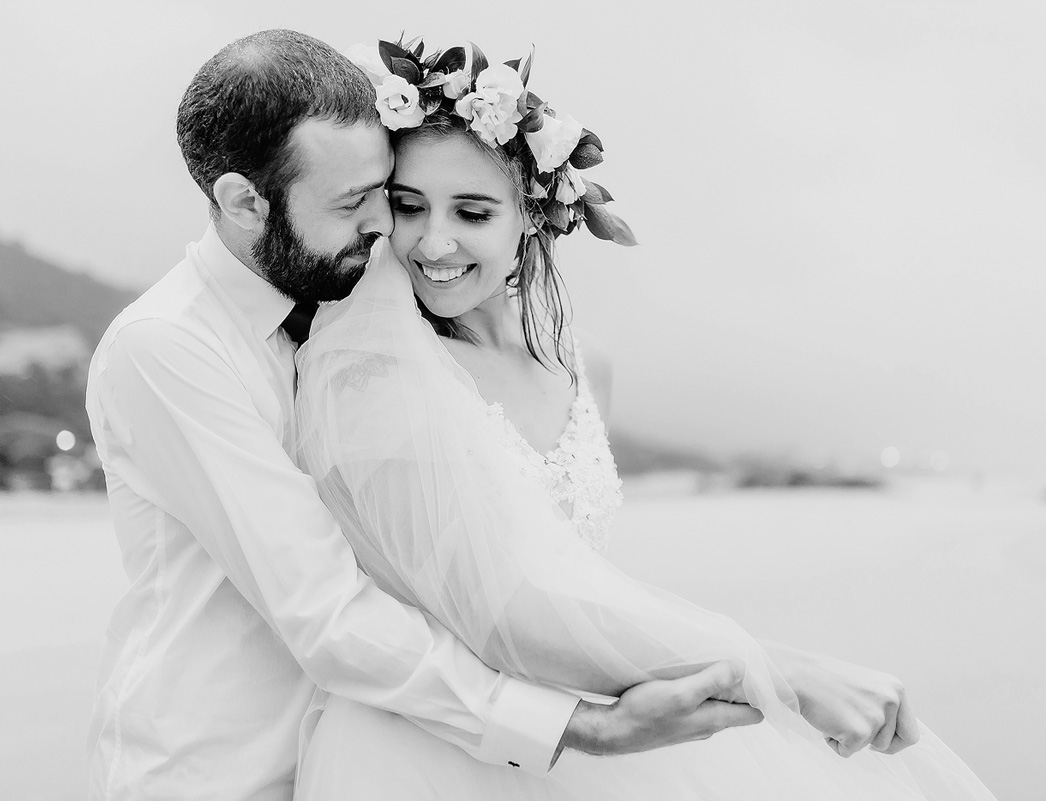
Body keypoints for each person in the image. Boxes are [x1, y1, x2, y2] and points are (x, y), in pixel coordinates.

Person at [292, 37, 997, 799]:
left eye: (472, 210)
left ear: (531, 216)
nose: (433, 241)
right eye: (407, 207)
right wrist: (779, 675)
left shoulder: (583, 362)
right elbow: (505, 612)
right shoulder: (380, 380)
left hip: (571, 716)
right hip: (430, 751)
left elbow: (580, 579)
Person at [83, 29, 771, 801]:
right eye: (355, 202)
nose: (386, 227)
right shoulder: (168, 350)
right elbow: (328, 611)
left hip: (407, 741)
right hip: (219, 770)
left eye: (385, 192)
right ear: (245, 202)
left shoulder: (353, 306)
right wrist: (579, 725)